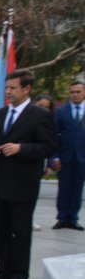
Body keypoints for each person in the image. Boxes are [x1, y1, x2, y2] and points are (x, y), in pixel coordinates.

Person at [0, 69, 58, 279]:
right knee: (0, 230)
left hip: (22, 183)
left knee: (20, 230)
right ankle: (2, 270)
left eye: (13, 88)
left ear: (27, 89)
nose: (9, 92)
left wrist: (21, 148)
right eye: (7, 87)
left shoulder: (40, 115)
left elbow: (49, 146)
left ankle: (18, 273)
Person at [52, 79, 85, 230]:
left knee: (77, 189)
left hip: (82, 157)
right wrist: (55, 156)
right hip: (64, 157)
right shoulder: (61, 111)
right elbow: (54, 135)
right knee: (64, 188)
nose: (75, 95)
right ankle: (62, 218)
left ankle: (73, 218)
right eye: (72, 92)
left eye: (78, 92)